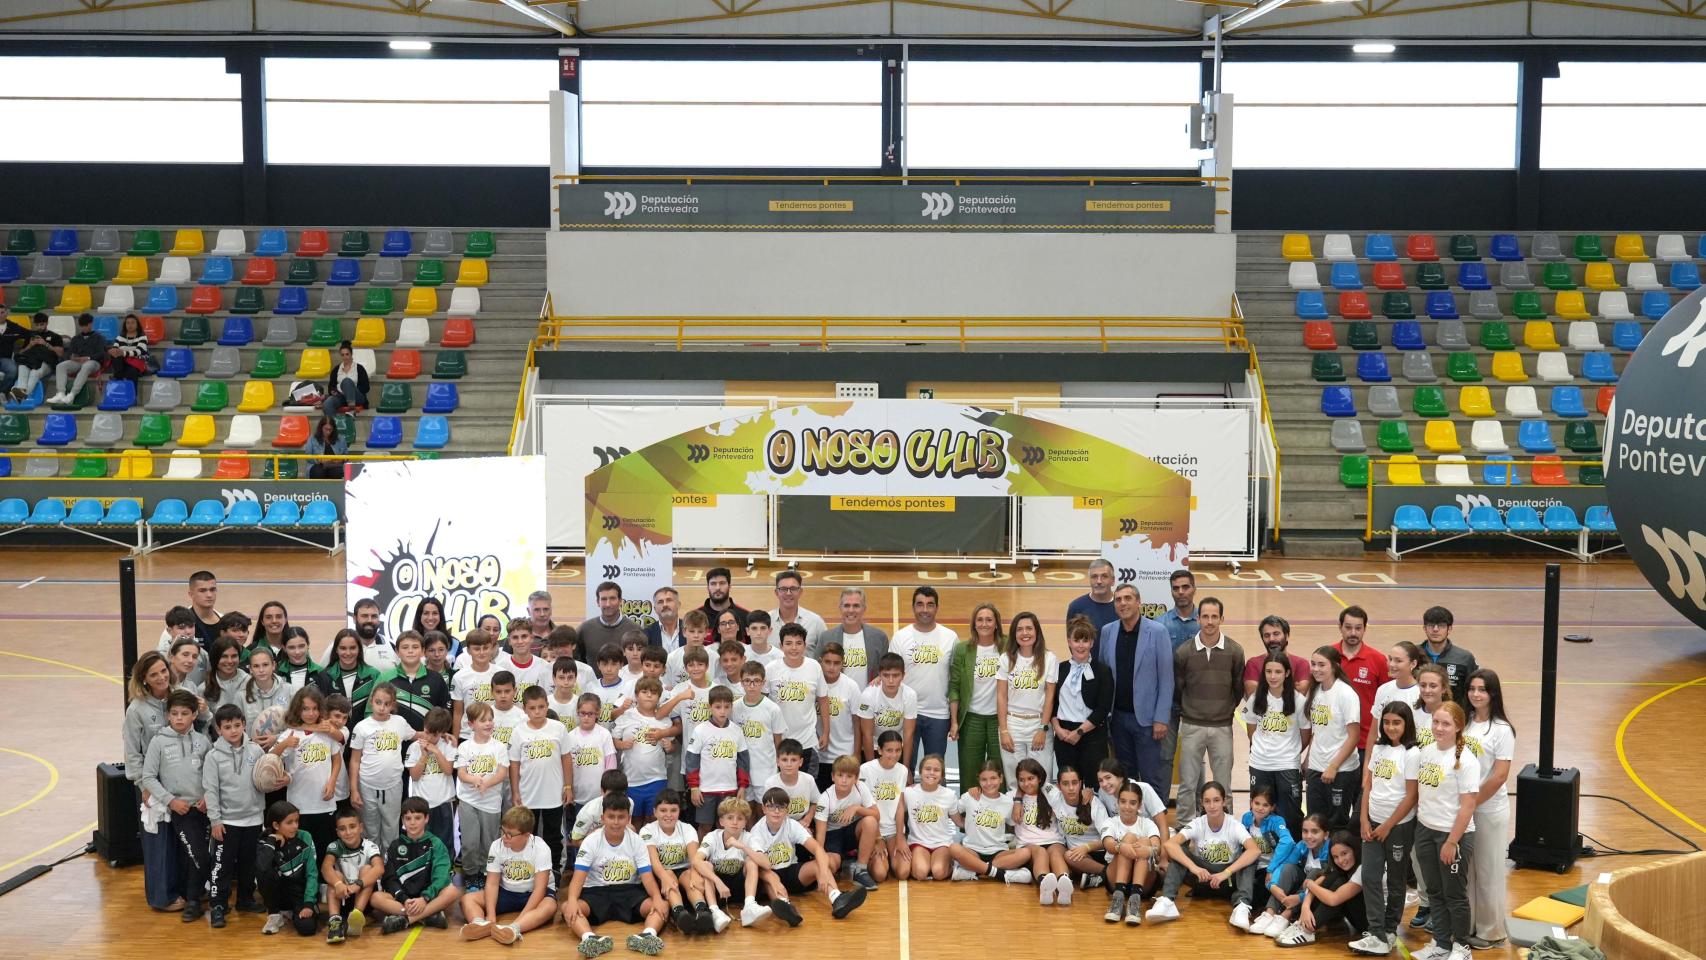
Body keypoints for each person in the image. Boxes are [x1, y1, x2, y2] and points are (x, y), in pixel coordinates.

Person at [1412, 702, 1482, 960]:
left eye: (1446, 724)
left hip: (1453, 836)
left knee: (1454, 894)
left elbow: (1468, 806)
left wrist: (1452, 842)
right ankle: (1441, 943)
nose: (1439, 728)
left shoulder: (1466, 760)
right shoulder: (1426, 751)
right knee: (1434, 891)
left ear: (1458, 727)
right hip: (1425, 830)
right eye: (1436, 722)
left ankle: (1462, 947)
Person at [1352, 701, 1420, 956]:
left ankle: (1390, 930)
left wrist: (1388, 825)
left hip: (1398, 827)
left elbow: (1412, 796)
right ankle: (1377, 932)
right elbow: (1368, 786)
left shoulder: (1412, 753)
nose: (1391, 727)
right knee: (1369, 876)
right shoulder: (1379, 748)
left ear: (1406, 724)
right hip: (1372, 824)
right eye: (1387, 722)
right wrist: (1363, 819)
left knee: (1395, 880)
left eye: (1397, 723)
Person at [562, 793, 669, 957]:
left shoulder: (637, 841)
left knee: (662, 905)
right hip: (596, 892)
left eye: (621, 817)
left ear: (628, 819)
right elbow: (578, 878)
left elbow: (647, 877)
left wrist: (656, 897)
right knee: (567, 907)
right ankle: (589, 938)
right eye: (611, 817)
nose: (616, 822)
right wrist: (571, 900)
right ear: (602, 818)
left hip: (629, 891)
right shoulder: (590, 841)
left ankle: (648, 935)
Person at [140, 689, 213, 922]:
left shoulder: (203, 741)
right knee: (198, 855)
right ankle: (194, 900)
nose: (179, 718)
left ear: (194, 715)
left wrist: (208, 796)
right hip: (181, 810)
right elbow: (148, 777)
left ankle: (197, 895)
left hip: (203, 809)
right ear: (168, 715)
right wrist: (171, 801)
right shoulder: (158, 742)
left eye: (184, 713)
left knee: (195, 857)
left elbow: (212, 774)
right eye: (174, 713)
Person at [1147, 781, 1260, 928]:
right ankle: (1167, 901)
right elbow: (1169, 845)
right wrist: (1194, 867)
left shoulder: (1234, 825)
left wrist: (1226, 872)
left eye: (1216, 800)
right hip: (1202, 879)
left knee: (1248, 857)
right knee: (1180, 851)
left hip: (1227, 881)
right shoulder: (1197, 823)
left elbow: (1255, 850)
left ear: (1224, 801)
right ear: (1202, 804)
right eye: (1207, 801)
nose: (1212, 806)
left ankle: (1242, 907)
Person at [1096, 584, 1174, 798]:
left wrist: (1161, 719)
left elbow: (1166, 679)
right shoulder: (1107, 632)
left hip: (1148, 722)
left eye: (1128, 598)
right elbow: (1104, 676)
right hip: (1118, 719)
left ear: (1138, 602)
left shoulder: (1157, 632)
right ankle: (1129, 818)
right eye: (1118, 599)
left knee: (1151, 778)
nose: (1123, 603)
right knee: (1125, 778)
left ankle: (1157, 819)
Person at [747, 785, 868, 921]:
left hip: (791, 870)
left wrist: (823, 872)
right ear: (763, 809)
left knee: (818, 864)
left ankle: (837, 899)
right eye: (771, 806)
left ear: (787, 810)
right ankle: (787, 909)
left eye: (781, 807)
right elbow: (761, 866)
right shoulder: (757, 832)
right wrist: (771, 878)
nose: (776, 811)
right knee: (770, 880)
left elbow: (817, 849)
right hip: (771, 872)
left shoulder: (791, 825)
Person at [1172, 597, 1245, 826]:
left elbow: (1238, 688)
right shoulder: (1184, 652)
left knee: (1223, 783)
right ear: (1198, 619)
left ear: (1222, 618)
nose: (1210, 621)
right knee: (1188, 782)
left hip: (1222, 727)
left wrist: (1223, 710)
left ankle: (1226, 827)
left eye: (1214, 616)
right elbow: (1178, 688)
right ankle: (1184, 826)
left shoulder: (1235, 651)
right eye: (1205, 616)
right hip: (1191, 725)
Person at [124, 652, 182, 912]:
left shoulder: (179, 697)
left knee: (181, 839)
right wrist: (143, 785)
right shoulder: (137, 709)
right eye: (153, 674)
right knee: (158, 843)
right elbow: (132, 753)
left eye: (163, 671)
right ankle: (161, 897)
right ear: (144, 679)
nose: (161, 677)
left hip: (182, 779)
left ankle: (184, 889)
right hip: (152, 784)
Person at [1464, 669, 1515, 951]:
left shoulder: (1502, 729)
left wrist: (1472, 803)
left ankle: (1492, 931)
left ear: (1492, 693)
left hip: (1488, 810)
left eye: (1482, 689)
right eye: (1472, 688)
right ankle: (1471, 925)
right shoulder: (1466, 722)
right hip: (1466, 808)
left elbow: (1499, 776)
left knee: (1488, 871)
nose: (1476, 694)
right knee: (1468, 872)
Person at [203, 702, 266, 928]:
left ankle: (245, 900)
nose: (233, 730)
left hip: (254, 819)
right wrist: (215, 821)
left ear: (244, 725)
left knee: (249, 864)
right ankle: (218, 905)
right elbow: (211, 790)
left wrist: (282, 777)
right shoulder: (213, 757)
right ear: (219, 729)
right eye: (227, 727)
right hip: (227, 822)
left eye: (237, 725)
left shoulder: (256, 751)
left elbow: (266, 778)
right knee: (222, 865)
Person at [460, 804, 559, 945]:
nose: (504, 837)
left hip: (533, 893)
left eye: (510, 834)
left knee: (550, 907)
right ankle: (480, 924)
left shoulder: (540, 847)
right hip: (506, 892)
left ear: (526, 834)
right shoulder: (497, 845)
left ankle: (514, 929)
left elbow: (540, 889)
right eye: (503, 831)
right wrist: (491, 916)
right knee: (467, 899)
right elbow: (492, 883)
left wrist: (521, 918)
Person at [509, 685, 577, 874]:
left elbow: (566, 758)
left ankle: (554, 871)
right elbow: (514, 764)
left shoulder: (558, 728)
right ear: (525, 709)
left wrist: (568, 786)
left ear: (547, 705)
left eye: (541, 707)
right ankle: (529, 870)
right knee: (527, 834)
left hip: (553, 794)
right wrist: (515, 791)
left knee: (553, 835)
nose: (537, 711)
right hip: (527, 794)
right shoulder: (518, 731)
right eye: (532, 708)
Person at [891, 585, 959, 767]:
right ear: (913, 607)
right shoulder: (900, 637)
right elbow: (891, 673)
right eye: (920, 604)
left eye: (930, 604)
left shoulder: (950, 637)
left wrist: (954, 719)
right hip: (907, 713)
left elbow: (956, 680)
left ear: (937, 607)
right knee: (904, 769)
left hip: (938, 714)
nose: (925, 610)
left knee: (935, 769)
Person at [1242, 651, 1308, 838]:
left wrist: (1289, 752)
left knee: (1290, 815)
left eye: (1278, 672)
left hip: (1287, 765)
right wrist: (1261, 748)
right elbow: (1251, 728)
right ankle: (1263, 850)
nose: (1273, 676)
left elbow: (1306, 735)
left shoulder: (1298, 700)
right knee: (1261, 812)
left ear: (1287, 673)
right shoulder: (1256, 698)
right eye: (1268, 671)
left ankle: (1292, 852)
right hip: (1260, 764)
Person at [372, 796, 462, 934]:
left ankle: (406, 919)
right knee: (375, 898)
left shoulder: (436, 844)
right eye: (408, 818)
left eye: (417, 818)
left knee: (452, 891)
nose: (412, 823)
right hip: (403, 900)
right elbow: (389, 879)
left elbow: (442, 877)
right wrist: (404, 899)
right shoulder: (395, 846)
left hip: (428, 898)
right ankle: (427, 916)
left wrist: (425, 898)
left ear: (426, 818)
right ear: (403, 820)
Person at [274, 686, 344, 856]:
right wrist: (285, 744)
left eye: (314, 708)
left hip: (324, 802)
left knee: (324, 850)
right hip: (299, 805)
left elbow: (337, 759)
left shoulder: (326, 733)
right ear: (297, 709)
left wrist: (332, 782)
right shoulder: (290, 733)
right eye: (305, 709)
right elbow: (271, 758)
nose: (311, 713)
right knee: (301, 852)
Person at [1305, 646, 1364, 831]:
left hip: (1341, 770)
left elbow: (1354, 737)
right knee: (1315, 821)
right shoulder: (1315, 690)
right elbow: (1317, 731)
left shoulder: (1346, 694)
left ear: (1335, 666)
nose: (1316, 669)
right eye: (1313, 664)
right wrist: (1308, 759)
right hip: (1316, 767)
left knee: (1336, 824)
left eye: (1321, 665)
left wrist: (1333, 766)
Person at [349, 683, 413, 850]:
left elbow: (417, 735)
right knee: (370, 828)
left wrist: (441, 734)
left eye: (387, 704)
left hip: (393, 785)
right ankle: (372, 860)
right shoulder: (362, 727)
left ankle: (390, 861)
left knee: (391, 828)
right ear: (371, 701)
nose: (382, 707)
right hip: (367, 786)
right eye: (378, 702)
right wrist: (354, 790)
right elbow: (354, 760)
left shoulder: (399, 722)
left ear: (393, 705)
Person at [1276, 830, 1366, 947]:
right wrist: (1305, 907)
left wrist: (1310, 884)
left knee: (1339, 882)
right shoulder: (1340, 870)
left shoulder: (1363, 868)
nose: (1340, 860)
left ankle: (1307, 929)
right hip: (1359, 917)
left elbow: (1333, 899)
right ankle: (1303, 925)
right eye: (1336, 857)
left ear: (1355, 850)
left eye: (1344, 853)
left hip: (1370, 925)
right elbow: (1321, 881)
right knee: (1333, 877)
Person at [998, 611, 1058, 786]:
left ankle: (1042, 807)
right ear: (1014, 634)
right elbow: (1001, 696)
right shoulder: (1006, 659)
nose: (1025, 633)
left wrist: (1043, 728)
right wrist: (1004, 731)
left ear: (1037, 631)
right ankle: (1016, 806)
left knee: (1042, 781)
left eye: (1029, 628)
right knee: (1014, 782)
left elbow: (1050, 697)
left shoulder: (1049, 658)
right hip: (1012, 725)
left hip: (1038, 725)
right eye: (1020, 629)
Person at [949, 602, 1006, 784]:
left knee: (1000, 771)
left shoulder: (1008, 646)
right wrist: (954, 721)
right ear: (974, 624)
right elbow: (954, 687)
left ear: (996, 623)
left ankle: (1001, 803)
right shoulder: (962, 649)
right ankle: (969, 804)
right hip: (972, 718)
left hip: (1000, 719)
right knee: (970, 772)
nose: (984, 624)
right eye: (980, 620)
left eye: (989, 620)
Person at [948, 760, 1030, 884]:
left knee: (1025, 853)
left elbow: (1013, 825)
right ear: (978, 780)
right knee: (954, 848)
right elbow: (953, 810)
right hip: (972, 850)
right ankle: (999, 874)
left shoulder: (1007, 802)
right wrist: (963, 823)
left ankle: (976, 871)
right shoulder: (970, 797)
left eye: (993, 778)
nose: (989, 783)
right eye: (984, 779)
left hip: (998, 852)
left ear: (1001, 778)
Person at [1052, 615, 1113, 780]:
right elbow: (1053, 704)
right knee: (1069, 785)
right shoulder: (1060, 669)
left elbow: (1103, 709)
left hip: (1092, 737)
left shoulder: (1103, 671)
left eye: (1085, 640)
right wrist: (1058, 729)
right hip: (1064, 737)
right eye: (1076, 640)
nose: (1080, 645)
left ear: (1092, 643)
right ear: (1069, 642)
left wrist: (1079, 732)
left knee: (1093, 786)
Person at [766, 623, 829, 773]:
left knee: (807, 785)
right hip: (779, 742)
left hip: (808, 741)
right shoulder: (770, 669)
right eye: (788, 643)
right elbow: (764, 704)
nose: (794, 648)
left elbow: (823, 700)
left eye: (798, 643)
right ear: (781, 646)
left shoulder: (814, 667)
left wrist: (826, 732)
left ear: (805, 645)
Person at [691, 796, 760, 933]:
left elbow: (767, 864)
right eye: (730, 818)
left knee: (752, 861)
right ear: (721, 821)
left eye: (740, 818)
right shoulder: (712, 836)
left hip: (740, 887)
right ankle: (714, 911)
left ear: (745, 822)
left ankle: (749, 905)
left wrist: (743, 847)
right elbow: (696, 861)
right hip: (718, 890)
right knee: (706, 865)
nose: (735, 822)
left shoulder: (749, 837)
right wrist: (718, 882)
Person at [1235, 784, 1296, 937]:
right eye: (1257, 803)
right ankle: (1243, 907)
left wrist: (1271, 868)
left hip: (1273, 868)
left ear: (1272, 807)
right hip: (1255, 866)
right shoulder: (1246, 818)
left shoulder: (1276, 821)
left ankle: (1272, 913)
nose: (1260, 808)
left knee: (1262, 892)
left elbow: (1288, 842)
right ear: (1251, 802)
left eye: (1265, 805)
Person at [687, 685, 750, 832]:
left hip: (730, 789)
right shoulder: (700, 730)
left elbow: (743, 761)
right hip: (706, 789)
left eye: (726, 707)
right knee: (705, 826)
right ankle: (702, 849)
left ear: (731, 707)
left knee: (727, 826)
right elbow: (691, 761)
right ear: (710, 707)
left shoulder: (736, 731)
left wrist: (742, 786)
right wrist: (694, 787)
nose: (722, 711)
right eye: (718, 707)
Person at [1011, 756, 1072, 906]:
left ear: (1039, 778)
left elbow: (1059, 791)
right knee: (1040, 852)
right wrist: (1017, 800)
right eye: (1022, 780)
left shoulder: (1050, 793)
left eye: (1031, 778)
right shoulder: (1012, 797)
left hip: (1053, 840)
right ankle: (1045, 885)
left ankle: (1064, 884)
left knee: (1056, 852)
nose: (1026, 783)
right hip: (1028, 844)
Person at [1101, 778, 1162, 925]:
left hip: (1144, 882)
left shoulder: (1147, 823)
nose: (1127, 807)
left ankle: (1135, 900)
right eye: (1123, 801)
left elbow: (1157, 847)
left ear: (1139, 806)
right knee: (1128, 838)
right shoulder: (1111, 822)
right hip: (1115, 878)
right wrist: (1122, 847)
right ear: (1117, 802)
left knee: (1144, 841)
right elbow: (1108, 844)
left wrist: (1147, 850)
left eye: (1133, 803)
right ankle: (1118, 898)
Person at [816, 755, 881, 890]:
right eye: (840, 775)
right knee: (831, 866)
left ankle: (860, 870)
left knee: (870, 821)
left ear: (856, 778)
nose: (844, 780)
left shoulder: (860, 787)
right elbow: (820, 835)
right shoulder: (825, 798)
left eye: (849, 776)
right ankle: (840, 863)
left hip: (851, 832)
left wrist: (857, 808)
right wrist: (821, 862)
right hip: (832, 836)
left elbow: (876, 815)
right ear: (833, 776)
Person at [257, 800, 320, 936]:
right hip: (278, 894)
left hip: (300, 894)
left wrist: (309, 903)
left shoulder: (305, 836)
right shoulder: (265, 840)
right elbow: (262, 868)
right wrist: (272, 840)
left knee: (307, 928)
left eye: (297, 821)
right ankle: (274, 915)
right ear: (276, 825)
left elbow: (312, 873)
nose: (295, 826)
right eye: (289, 822)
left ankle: (292, 912)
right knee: (264, 871)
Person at [321, 806, 384, 943]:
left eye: (352, 827)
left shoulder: (370, 846)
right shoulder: (335, 846)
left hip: (364, 898)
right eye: (342, 829)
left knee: (367, 869)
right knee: (334, 875)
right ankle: (335, 922)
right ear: (337, 832)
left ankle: (356, 916)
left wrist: (357, 885)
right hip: (343, 896)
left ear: (361, 827)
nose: (348, 832)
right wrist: (338, 884)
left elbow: (379, 868)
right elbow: (325, 867)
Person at [1336, 605, 1391, 752]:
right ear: (1340, 627)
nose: (1353, 633)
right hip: (1333, 741)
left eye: (1358, 628)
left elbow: (1387, 699)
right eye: (1348, 627)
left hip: (1365, 742)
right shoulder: (1329, 656)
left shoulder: (1378, 660)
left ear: (1365, 629)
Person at [859, 730, 909, 885]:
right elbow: (866, 807)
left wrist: (900, 837)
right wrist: (878, 838)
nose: (894, 755)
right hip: (873, 830)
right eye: (889, 750)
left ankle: (888, 857)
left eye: (898, 750)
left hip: (893, 830)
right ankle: (867, 858)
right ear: (879, 750)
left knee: (903, 872)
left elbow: (900, 805)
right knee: (880, 874)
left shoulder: (902, 770)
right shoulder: (865, 769)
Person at [406, 707, 459, 855]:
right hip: (422, 804)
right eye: (426, 731)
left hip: (444, 802)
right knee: (423, 843)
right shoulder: (414, 747)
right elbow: (414, 776)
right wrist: (424, 756)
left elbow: (448, 770)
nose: (428, 737)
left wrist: (436, 752)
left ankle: (446, 867)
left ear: (442, 733)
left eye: (433, 735)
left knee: (444, 842)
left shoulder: (448, 745)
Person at [811, 588, 890, 684]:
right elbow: (816, 671)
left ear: (864, 608)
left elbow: (887, 671)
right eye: (846, 605)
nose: (851, 610)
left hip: (869, 693)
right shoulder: (826, 638)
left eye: (856, 606)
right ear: (840, 608)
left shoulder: (879, 638)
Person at [898, 755, 956, 881]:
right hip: (919, 842)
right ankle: (925, 863)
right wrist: (900, 837)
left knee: (939, 873)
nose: (931, 773)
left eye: (936, 770)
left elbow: (959, 821)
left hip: (942, 843)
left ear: (942, 775)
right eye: (927, 769)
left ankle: (950, 864)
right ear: (920, 772)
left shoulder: (949, 795)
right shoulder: (909, 792)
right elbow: (898, 813)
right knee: (920, 873)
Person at [380, 630, 452, 732]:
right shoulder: (385, 678)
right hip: (392, 739)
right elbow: (371, 711)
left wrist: (442, 733)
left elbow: (445, 713)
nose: (410, 651)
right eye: (405, 647)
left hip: (427, 738)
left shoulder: (436, 679)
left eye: (415, 647)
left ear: (423, 651)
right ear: (397, 652)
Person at [1051, 766, 1108, 890]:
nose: (1071, 788)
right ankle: (1099, 878)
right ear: (1059, 786)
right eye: (1065, 784)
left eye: (1075, 783)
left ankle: (1108, 874)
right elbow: (1035, 781)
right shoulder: (1055, 799)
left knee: (1068, 856)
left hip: (1098, 852)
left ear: (1080, 784)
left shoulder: (1093, 803)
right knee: (1062, 858)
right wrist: (1017, 800)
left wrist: (1086, 847)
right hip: (1078, 856)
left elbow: (1109, 839)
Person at [855, 653, 918, 765]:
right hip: (874, 747)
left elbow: (908, 734)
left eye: (895, 675)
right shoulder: (868, 695)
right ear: (879, 675)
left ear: (903, 676)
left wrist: (906, 767)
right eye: (886, 675)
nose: (891, 680)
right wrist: (871, 767)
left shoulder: (910, 695)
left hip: (897, 749)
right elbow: (867, 735)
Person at [817, 643, 862, 789]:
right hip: (818, 755)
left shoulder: (851, 686)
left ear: (843, 664)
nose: (831, 667)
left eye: (836, 663)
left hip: (844, 754)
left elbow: (857, 723)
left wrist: (856, 754)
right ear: (820, 661)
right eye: (827, 662)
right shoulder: (813, 684)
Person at [1421, 606, 1479, 706]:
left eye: (1441, 626)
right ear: (1425, 628)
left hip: (1453, 714)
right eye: (1431, 625)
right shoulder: (1413, 654)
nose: (1435, 629)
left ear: (1450, 629)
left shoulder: (1465, 658)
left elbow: (1474, 690)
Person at [44, 312, 104, 404]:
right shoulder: (76, 338)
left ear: (91, 324)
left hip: (93, 362)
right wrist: (72, 356)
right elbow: (69, 353)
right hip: (78, 362)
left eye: (86, 325)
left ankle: (72, 394)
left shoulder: (99, 337)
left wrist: (88, 358)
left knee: (86, 366)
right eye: (82, 326)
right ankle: (60, 393)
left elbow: (101, 353)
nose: (84, 328)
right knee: (61, 366)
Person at [1241, 615, 1311, 695]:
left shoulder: (1301, 664)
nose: (1271, 639)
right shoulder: (1253, 664)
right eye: (1267, 635)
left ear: (1286, 636)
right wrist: (1290, 687)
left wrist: (1263, 687)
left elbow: (1301, 693)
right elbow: (1252, 695)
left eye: (1276, 634)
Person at [156, 570, 222, 651]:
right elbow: (163, 655)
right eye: (202, 591)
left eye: (212, 589)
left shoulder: (224, 621)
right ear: (191, 594)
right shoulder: (176, 627)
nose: (209, 595)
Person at [1371, 641, 1423, 735]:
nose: (1392, 664)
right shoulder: (1382, 689)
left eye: (1398, 661)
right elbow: (1374, 730)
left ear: (1413, 664)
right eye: (1390, 659)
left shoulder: (1421, 693)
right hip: (1382, 744)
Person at [579, 581, 640, 662]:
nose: (608, 604)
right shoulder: (585, 629)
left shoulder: (635, 629)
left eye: (612, 598)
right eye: (604, 599)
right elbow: (577, 660)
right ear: (598, 602)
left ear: (620, 601)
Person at [10, 312, 62, 402]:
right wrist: (30, 345)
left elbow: (60, 353)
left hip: (46, 362)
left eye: (42, 324)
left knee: (35, 373)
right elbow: (21, 353)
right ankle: (21, 394)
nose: (39, 327)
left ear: (47, 323)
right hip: (30, 360)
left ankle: (21, 395)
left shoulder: (55, 336)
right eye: (37, 325)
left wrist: (45, 344)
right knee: (22, 367)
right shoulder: (31, 336)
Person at [767, 570, 826, 645]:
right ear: (776, 592)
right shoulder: (765, 622)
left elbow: (827, 650)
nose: (788, 593)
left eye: (793, 588)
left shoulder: (815, 622)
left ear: (800, 592)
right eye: (783, 589)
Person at [1065, 559, 1120, 635]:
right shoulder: (1076, 607)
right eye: (1094, 577)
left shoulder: (1122, 606)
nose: (1099, 581)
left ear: (1113, 580)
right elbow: (1072, 639)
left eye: (1104, 576)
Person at [699, 567, 750, 641]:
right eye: (713, 584)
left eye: (722, 583)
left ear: (729, 586)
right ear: (707, 587)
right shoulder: (695, 617)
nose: (718, 588)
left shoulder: (746, 617)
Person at [323, 340, 369, 418]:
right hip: (341, 397)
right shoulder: (336, 369)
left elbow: (366, 387)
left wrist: (350, 391)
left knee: (346, 381)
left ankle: (351, 409)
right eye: (343, 355)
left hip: (356, 397)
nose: (345, 357)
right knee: (327, 403)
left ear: (351, 354)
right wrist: (333, 391)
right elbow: (331, 386)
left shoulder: (359, 368)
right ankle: (333, 423)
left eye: (347, 354)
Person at [110, 312, 152, 381]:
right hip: (122, 363)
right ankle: (119, 378)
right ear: (125, 325)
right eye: (128, 323)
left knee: (132, 371)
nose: (130, 325)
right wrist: (112, 351)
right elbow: (115, 349)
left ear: (137, 325)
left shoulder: (142, 337)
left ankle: (118, 377)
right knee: (116, 357)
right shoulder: (120, 337)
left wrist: (123, 353)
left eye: (133, 323)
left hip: (136, 361)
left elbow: (138, 352)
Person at [645, 587, 683, 652]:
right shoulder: (647, 634)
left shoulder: (691, 630)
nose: (665, 605)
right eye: (660, 602)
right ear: (655, 609)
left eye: (669, 600)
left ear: (678, 605)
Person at [0, 303, 26, 396]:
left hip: (5, 359)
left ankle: (2, 392)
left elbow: (28, 333)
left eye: (2, 312)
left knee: (13, 370)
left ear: (7, 313)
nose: (0, 315)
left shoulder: (13, 327)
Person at [526, 590, 557, 654]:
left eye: (546, 609)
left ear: (551, 610)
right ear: (528, 611)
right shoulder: (516, 636)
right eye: (537, 610)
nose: (542, 614)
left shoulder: (561, 635)